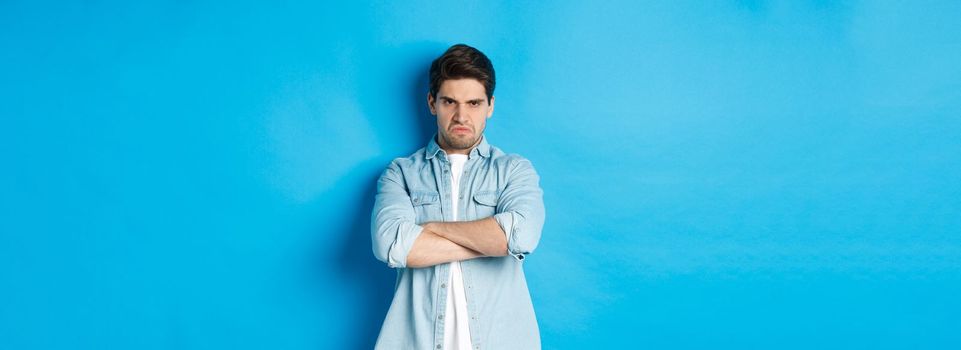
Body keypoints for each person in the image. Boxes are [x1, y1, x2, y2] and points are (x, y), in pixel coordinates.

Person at [370, 44, 546, 349]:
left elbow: (522, 236)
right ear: (432, 103)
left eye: (474, 103)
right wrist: (491, 244)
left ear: (490, 105)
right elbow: (392, 245)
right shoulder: (400, 173)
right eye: (450, 101)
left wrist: (431, 229)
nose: (461, 115)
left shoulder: (514, 170)